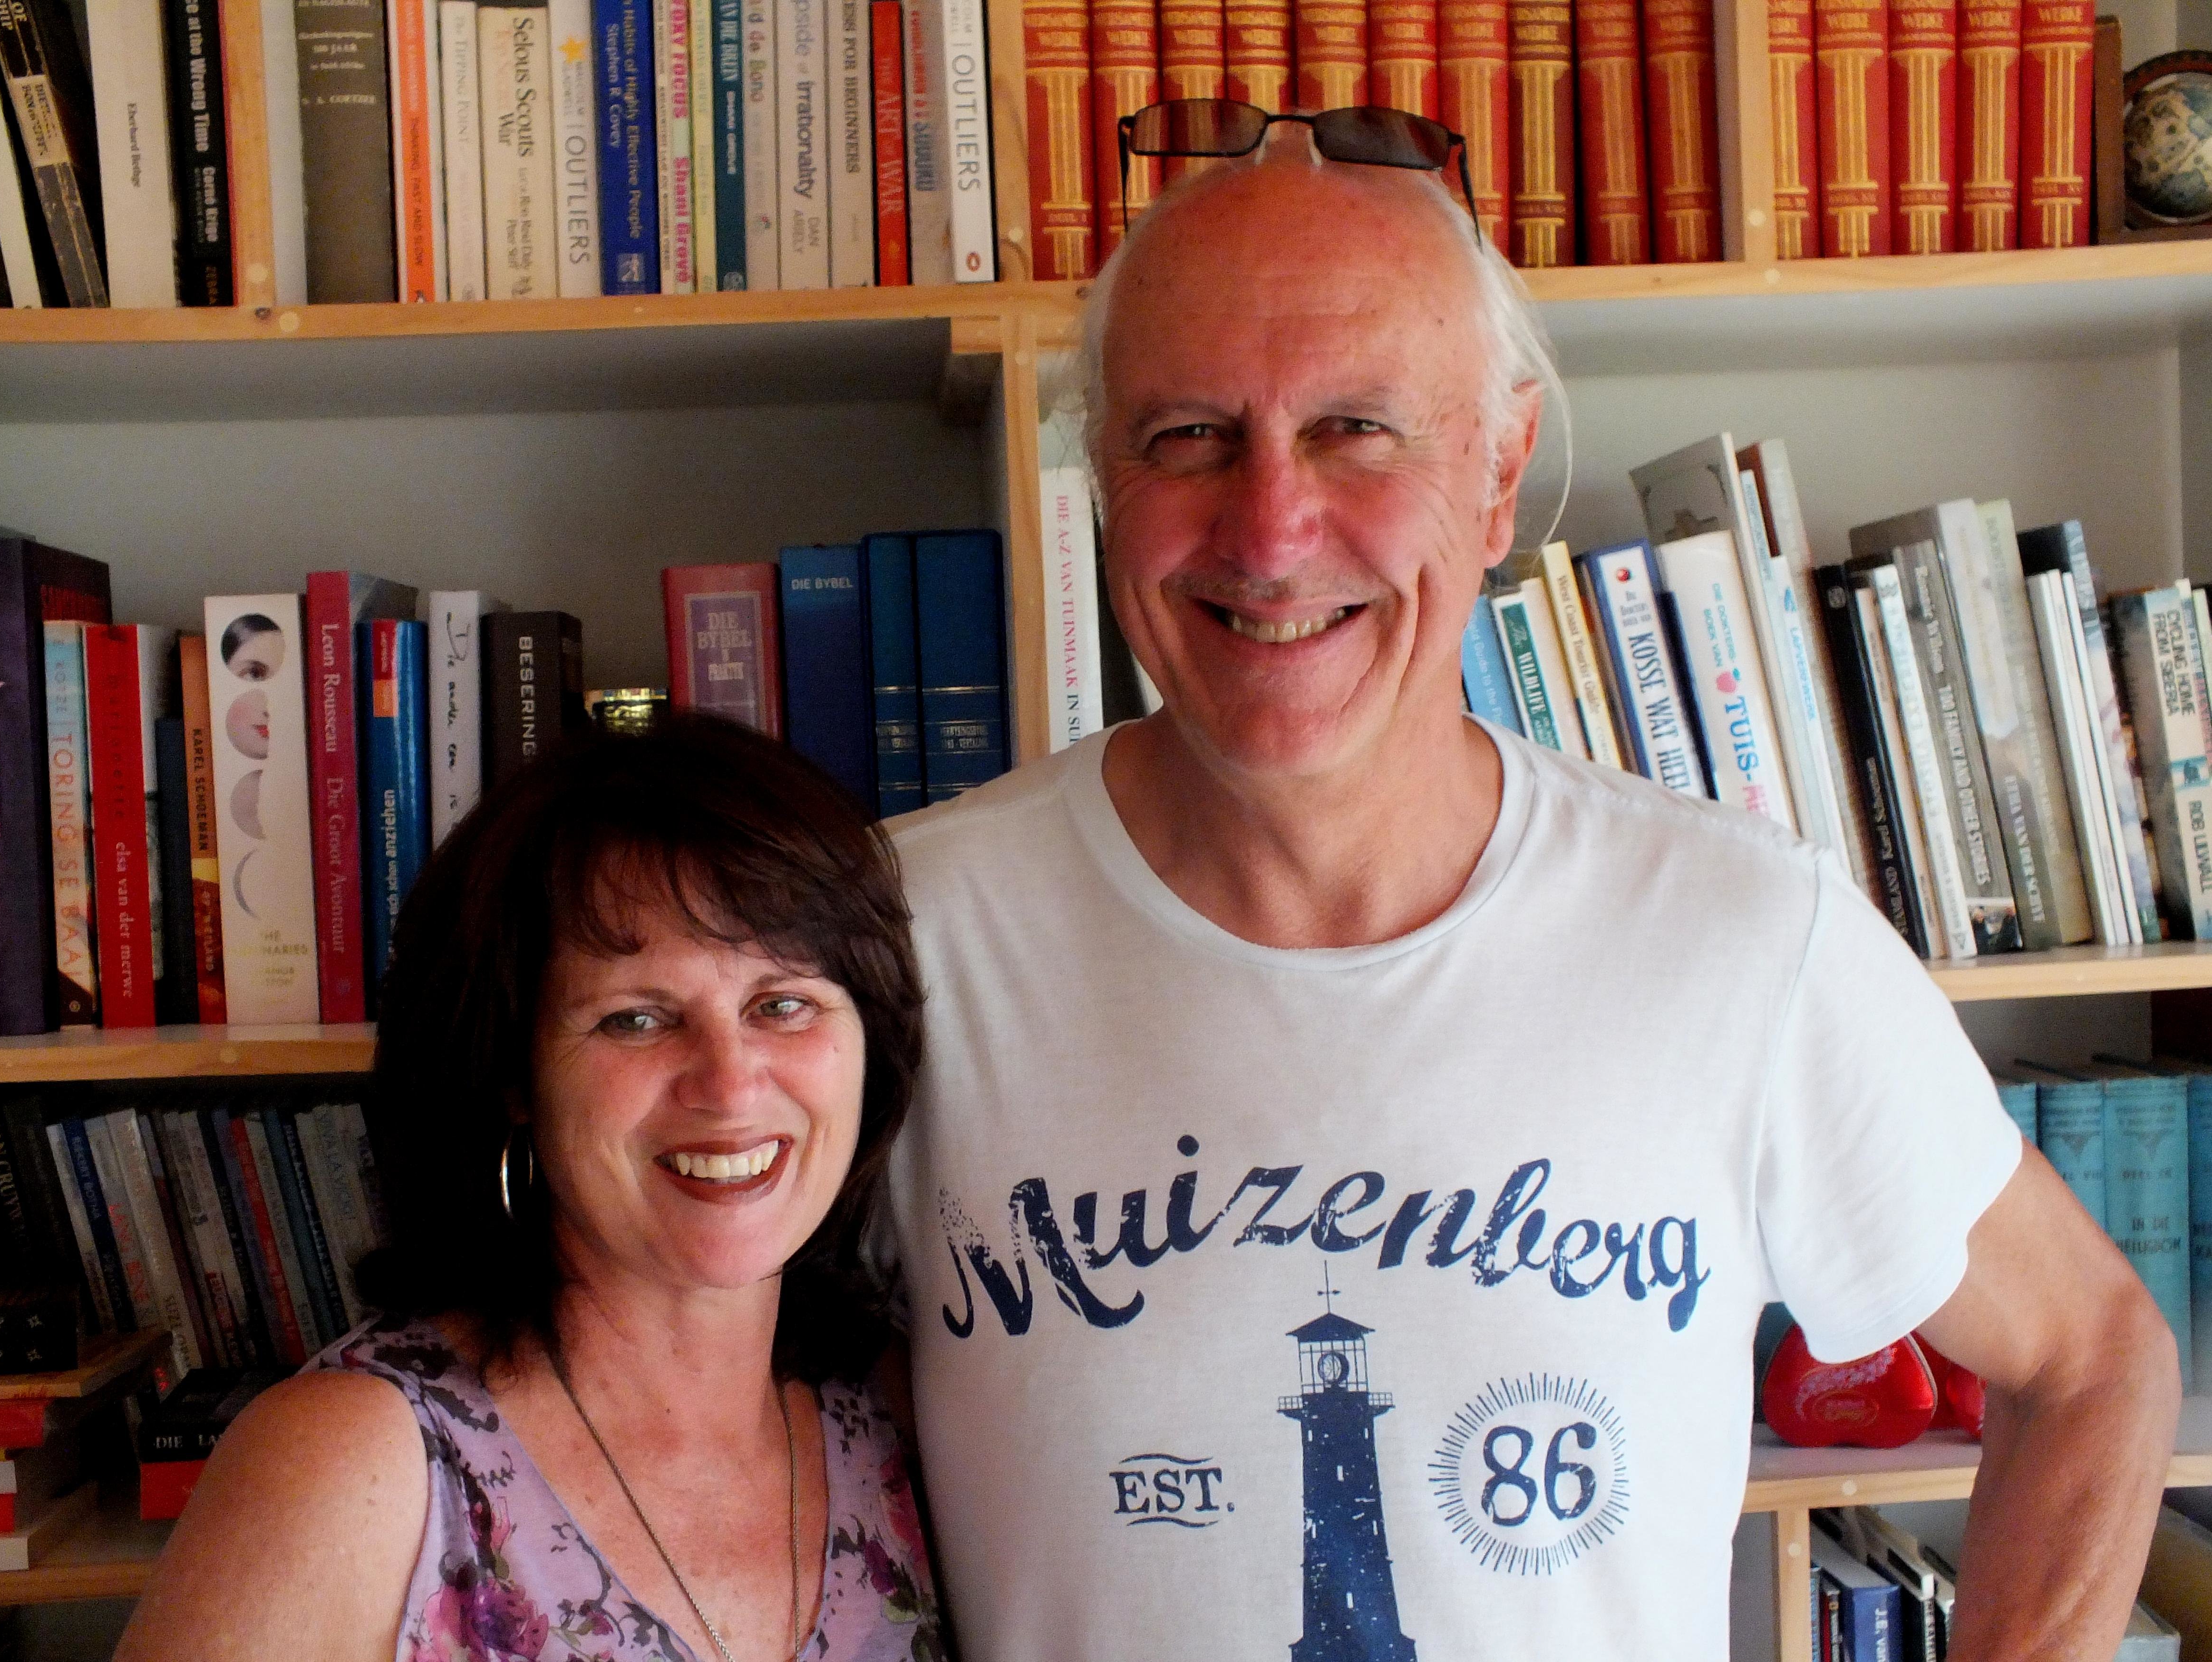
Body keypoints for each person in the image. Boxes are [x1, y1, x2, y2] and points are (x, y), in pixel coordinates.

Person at [882, 121, 2180, 1660]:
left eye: (1356, 428)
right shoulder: (895, 946)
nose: (1271, 529)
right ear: (1103, 477)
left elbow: (2091, 1356)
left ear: (1497, 476)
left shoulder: (1741, 937)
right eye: (1186, 436)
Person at [120, 714, 944, 1662]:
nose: (729, 1084)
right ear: (514, 1074)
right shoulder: (347, 1464)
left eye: (783, 1004)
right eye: (635, 1019)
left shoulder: (895, 1409)